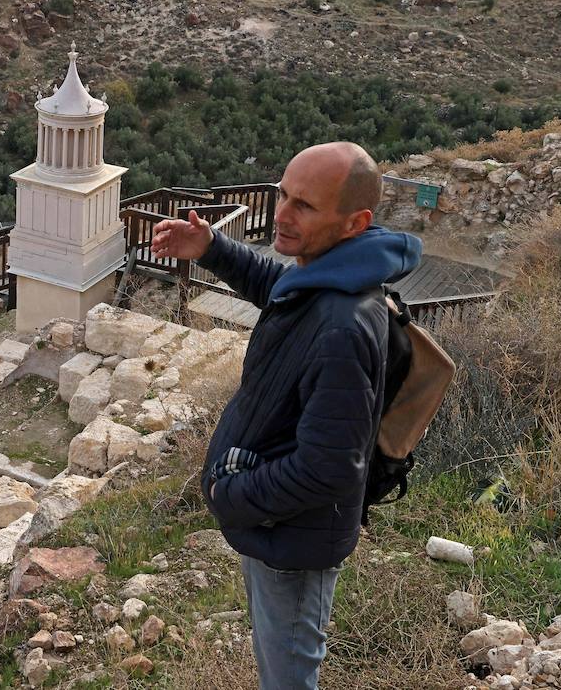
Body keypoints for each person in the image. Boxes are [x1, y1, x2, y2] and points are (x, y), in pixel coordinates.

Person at [151, 142, 421, 689]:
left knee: (289, 677)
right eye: (282, 194)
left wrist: (235, 495)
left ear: (355, 222)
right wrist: (213, 248)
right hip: (277, 525)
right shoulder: (329, 276)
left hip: (293, 538)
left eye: (305, 205)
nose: (282, 214)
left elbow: (329, 469)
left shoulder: (343, 326)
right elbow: (281, 289)